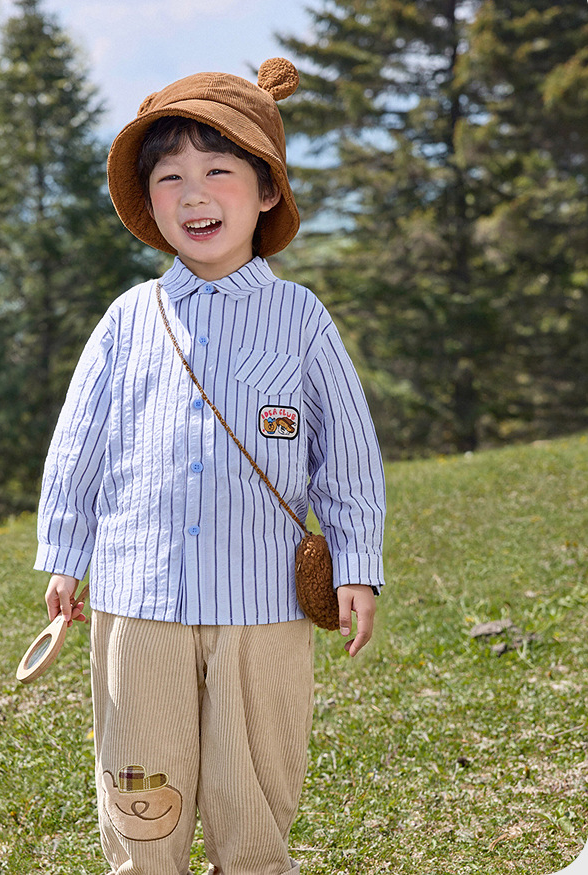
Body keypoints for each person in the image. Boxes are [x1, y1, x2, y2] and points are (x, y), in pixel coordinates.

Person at [34, 57, 386, 875]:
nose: (194, 195)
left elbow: (348, 456)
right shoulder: (129, 319)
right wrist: (65, 554)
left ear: (266, 191)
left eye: (218, 171)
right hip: (137, 598)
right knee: (142, 785)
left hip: (262, 602)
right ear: (149, 201)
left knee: (253, 785)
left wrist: (356, 565)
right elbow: (78, 446)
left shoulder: (300, 319)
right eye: (170, 178)